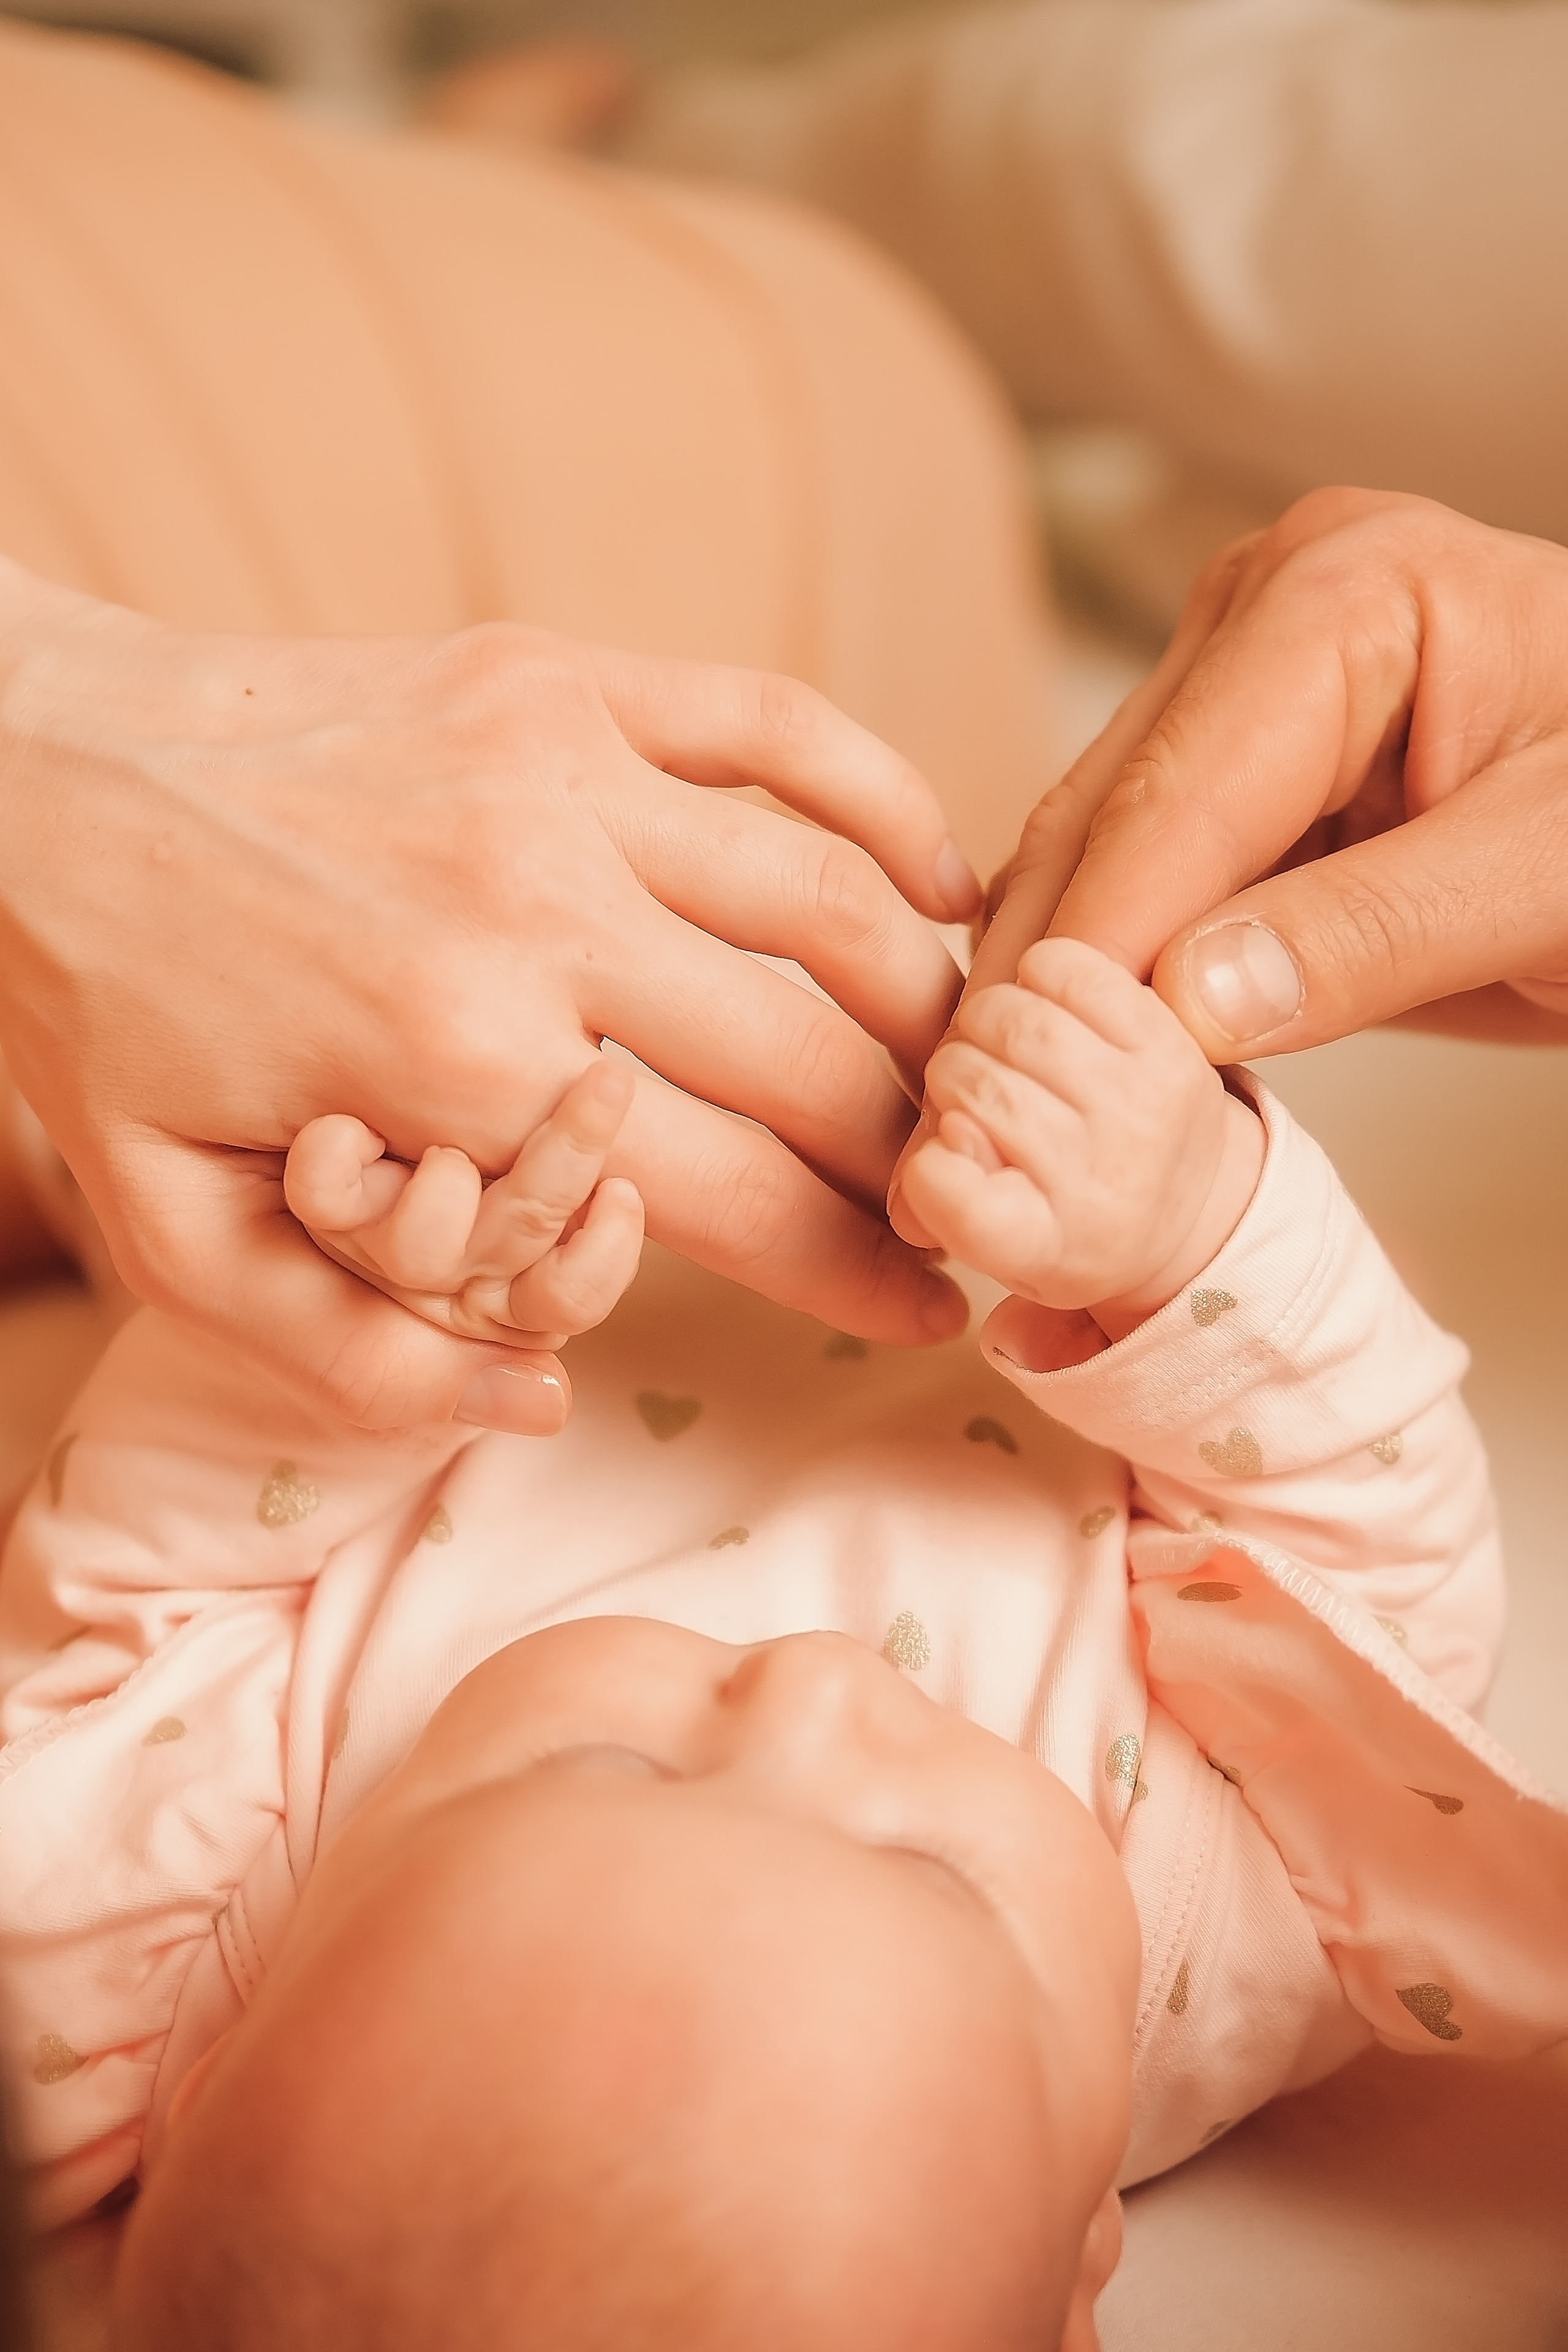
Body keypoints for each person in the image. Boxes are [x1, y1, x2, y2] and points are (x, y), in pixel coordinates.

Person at [4, 927, 1564, 2347]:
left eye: (618, 1770)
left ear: (217, 2083)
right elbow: (1379, 1576)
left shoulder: (140, 1948)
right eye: (930, 1876)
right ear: (1081, 2255)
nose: (822, 1692)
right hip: (1036, 1159)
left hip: (518, 1080)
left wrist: (374, 1324)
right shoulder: (1197, 1963)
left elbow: (135, 1575)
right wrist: (1186, 1242)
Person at [0, 15, 1059, 1442]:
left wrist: (56, 737)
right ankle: (486, 162)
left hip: (719, 467)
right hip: (800, 503)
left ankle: (473, 161)